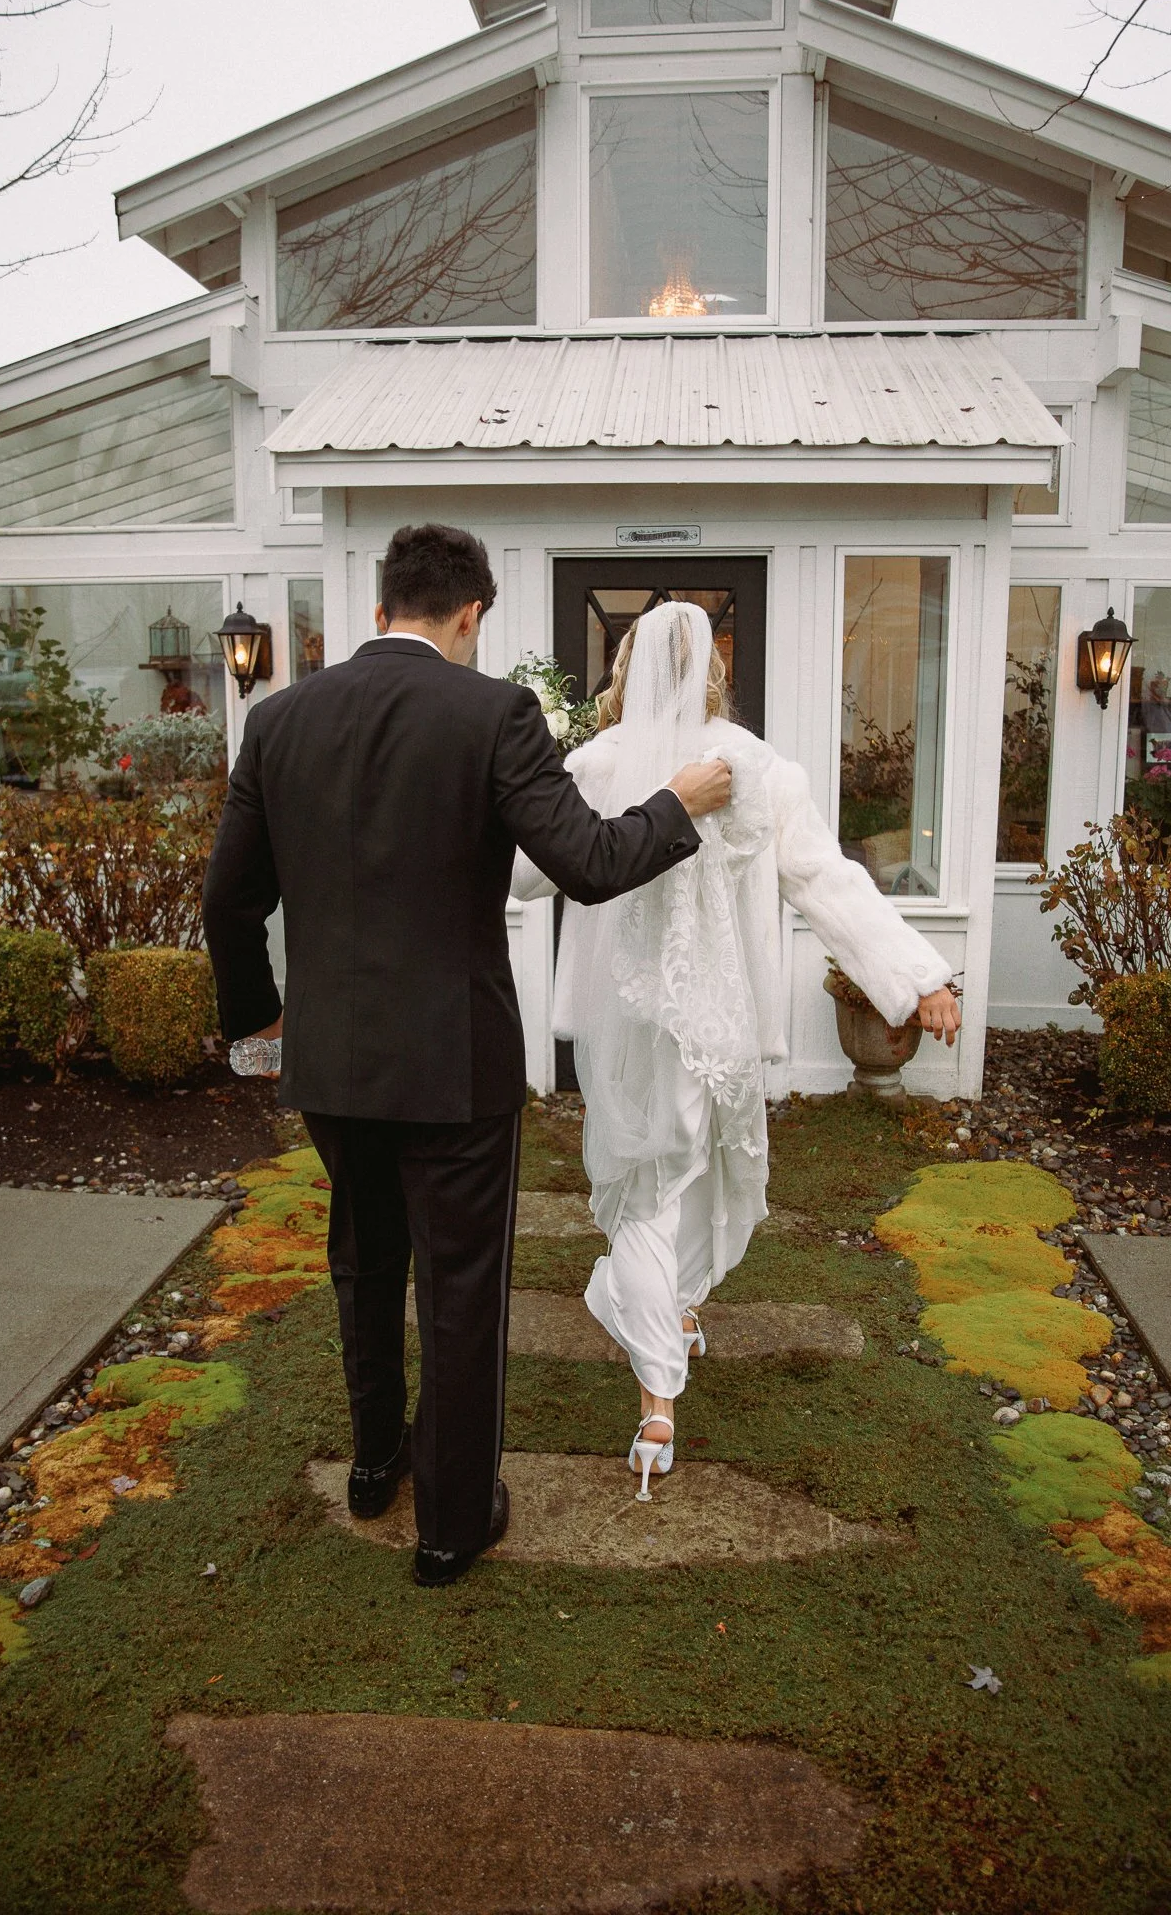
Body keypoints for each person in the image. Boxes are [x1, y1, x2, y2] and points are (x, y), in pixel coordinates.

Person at [201, 526, 732, 1586]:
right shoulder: (494, 712)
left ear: (382, 604)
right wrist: (681, 804)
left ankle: (374, 1462)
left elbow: (229, 899)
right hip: (456, 1064)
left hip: (332, 1063)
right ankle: (450, 1523)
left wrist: (257, 1017)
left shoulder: (277, 718)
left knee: (363, 1262)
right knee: (460, 1284)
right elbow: (587, 861)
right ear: (470, 615)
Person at [512, 602, 961, 1499]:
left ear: (623, 667)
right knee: (677, 1179)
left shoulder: (598, 766)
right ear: (715, 669)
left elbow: (521, 871)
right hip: (695, 1019)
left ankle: (648, 1312)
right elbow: (826, 881)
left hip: (642, 1024)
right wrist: (917, 981)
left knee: (659, 1184)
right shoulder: (750, 767)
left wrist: (908, 977)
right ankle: (656, 1398)